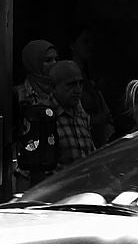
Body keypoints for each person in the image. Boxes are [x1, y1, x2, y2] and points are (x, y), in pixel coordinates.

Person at [13, 40, 59, 189]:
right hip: (26, 171)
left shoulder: (60, 91)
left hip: (56, 170)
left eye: (55, 59)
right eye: (47, 60)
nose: (54, 63)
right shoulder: (18, 94)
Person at [67, 25, 115, 147]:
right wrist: (95, 120)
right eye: (85, 41)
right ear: (72, 45)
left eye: (91, 42)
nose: (90, 46)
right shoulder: (66, 76)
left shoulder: (89, 77)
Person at [49, 60, 95, 168]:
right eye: (71, 84)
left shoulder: (81, 115)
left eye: (80, 83)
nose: (78, 90)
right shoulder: (45, 118)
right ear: (54, 87)